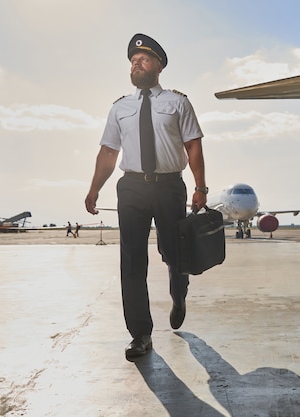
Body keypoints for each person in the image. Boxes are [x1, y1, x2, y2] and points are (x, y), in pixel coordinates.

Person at [85, 33, 207, 361]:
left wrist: (200, 186)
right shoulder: (120, 108)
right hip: (132, 187)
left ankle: (178, 293)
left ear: (159, 66)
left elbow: (193, 144)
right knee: (132, 261)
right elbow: (109, 151)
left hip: (169, 186)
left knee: (174, 252)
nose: (137, 64)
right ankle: (140, 334)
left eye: (144, 59)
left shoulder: (177, 102)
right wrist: (95, 187)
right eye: (133, 61)